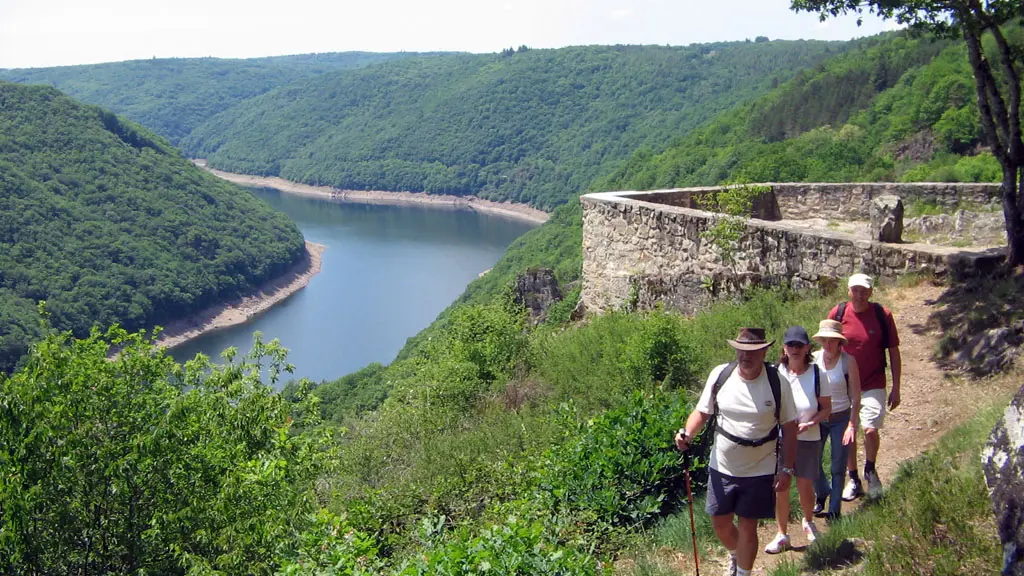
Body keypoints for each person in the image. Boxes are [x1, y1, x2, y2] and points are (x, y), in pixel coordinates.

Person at [675, 328, 798, 576]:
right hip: (722, 465)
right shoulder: (721, 375)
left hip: (760, 467)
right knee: (719, 522)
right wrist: (687, 433)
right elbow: (703, 411)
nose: (745, 355)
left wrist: (786, 469)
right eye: (741, 350)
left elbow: (790, 427)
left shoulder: (777, 383)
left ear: (764, 352)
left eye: (752, 351)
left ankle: (743, 572)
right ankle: (736, 554)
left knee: (748, 526)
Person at [828, 273, 901, 500]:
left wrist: (896, 387)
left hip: (873, 382)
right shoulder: (838, 314)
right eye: (855, 291)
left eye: (864, 291)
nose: (859, 295)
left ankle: (870, 470)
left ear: (871, 292)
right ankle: (854, 478)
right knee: (848, 432)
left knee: (870, 429)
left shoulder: (882, 315)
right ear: (849, 291)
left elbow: (893, 351)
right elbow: (828, 346)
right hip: (845, 385)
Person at [765, 326, 831, 553]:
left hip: (809, 438)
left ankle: (808, 520)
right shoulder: (775, 373)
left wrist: (810, 423)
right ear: (784, 348)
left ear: (807, 348)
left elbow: (826, 409)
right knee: (781, 487)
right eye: (790, 345)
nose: (795, 349)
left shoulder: (817, 374)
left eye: (799, 345)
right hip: (780, 439)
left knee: (805, 484)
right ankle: (782, 534)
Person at [810, 319, 862, 521]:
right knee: (812, 460)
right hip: (819, 416)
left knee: (838, 464)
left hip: (841, 416)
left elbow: (855, 396)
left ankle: (834, 510)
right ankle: (822, 491)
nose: (828, 344)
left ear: (840, 342)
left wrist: (852, 424)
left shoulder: (848, 362)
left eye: (832, 340)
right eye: (824, 340)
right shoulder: (814, 360)